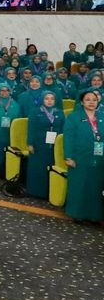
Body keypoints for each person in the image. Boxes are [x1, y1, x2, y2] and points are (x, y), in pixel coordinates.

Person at [62, 90, 103, 223]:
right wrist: (68, 157)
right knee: (79, 185)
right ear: (81, 102)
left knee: (96, 186)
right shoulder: (74, 117)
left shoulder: (102, 116)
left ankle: (95, 215)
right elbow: (68, 138)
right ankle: (77, 213)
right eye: (88, 99)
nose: (91, 102)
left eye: (94, 100)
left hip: (99, 157)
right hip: (79, 157)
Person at [25, 90, 63, 201]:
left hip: (54, 144)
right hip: (38, 144)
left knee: (50, 166)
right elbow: (31, 129)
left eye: (52, 99)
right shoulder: (35, 111)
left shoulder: (59, 112)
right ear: (42, 100)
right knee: (37, 168)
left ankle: (48, 191)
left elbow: (62, 129)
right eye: (47, 98)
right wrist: (30, 143)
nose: (49, 101)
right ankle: (34, 191)